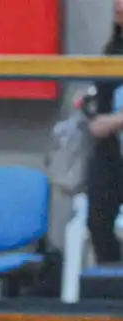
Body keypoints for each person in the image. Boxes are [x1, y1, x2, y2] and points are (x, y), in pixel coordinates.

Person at [84, 0, 123, 265]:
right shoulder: (112, 48)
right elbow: (104, 96)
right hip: (111, 151)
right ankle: (111, 291)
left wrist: (118, 120)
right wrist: (89, 102)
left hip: (114, 130)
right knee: (97, 220)